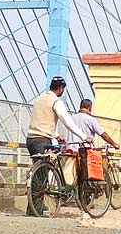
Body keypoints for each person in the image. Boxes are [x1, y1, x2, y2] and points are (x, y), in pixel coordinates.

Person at [26, 77, 93, 216]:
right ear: (61, 88)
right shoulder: (56, 102)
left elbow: (41, 121)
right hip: (43, 141)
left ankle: (34, 207)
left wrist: (56, 135)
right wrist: (83, 136)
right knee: (43, 175)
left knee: (39, 173)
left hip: (31, 140)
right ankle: (35, 209)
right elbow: (68, 122)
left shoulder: (39, 99)